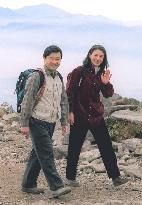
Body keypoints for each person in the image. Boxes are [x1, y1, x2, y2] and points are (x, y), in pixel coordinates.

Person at [66, 44, 128, 187]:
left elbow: (108, 94)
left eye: (101, 56)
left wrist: (105, 83)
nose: (98, 58)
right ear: (89, 55)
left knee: (106, 146)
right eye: (96, 55)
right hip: (80, 115)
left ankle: (116, 177)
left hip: (96, 116)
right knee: (74, 147)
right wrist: (70, 112)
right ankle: (70, 178)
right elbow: (69, 92)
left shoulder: (100, 74)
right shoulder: (78, 71)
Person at [20, 45, 71, 198]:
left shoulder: (58, 77)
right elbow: (27, 100)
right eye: (52, 58)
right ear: (44, 58)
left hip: (51, 122)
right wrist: (24, 124)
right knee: (47, 153)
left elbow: (63, 100)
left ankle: (28, 184)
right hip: (36, 121)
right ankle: (56, 186)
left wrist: (63, 122)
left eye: (58, 59)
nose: (55, 62)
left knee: (37, 154)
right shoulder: (37, 76)